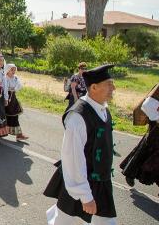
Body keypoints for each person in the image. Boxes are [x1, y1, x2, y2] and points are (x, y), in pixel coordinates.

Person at [44, 64, 117, 225]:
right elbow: (73, 159)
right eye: (109, 84)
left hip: (99, 183)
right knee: (65, 221)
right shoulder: (78, 117)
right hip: (83, 182)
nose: (114, 88)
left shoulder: (102, 108)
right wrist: (85, 195)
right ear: (94, 87)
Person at [120, 80, 159, 199]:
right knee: (146, 152)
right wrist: (158, 120)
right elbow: (147, 105)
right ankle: (130, 172)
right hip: (158, 128)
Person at [4, 63, 28, 141]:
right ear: (7, 70)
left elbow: (19, 85)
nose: (13, 71)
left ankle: (19, 134)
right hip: (5, 98)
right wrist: (6, 97)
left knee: (14, 116)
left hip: (13, 98)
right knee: (4, 116)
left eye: (14, 69)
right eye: (12, 69)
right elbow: (5, 88)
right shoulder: (5, 78)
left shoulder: (15, 78)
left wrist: (14, 89)